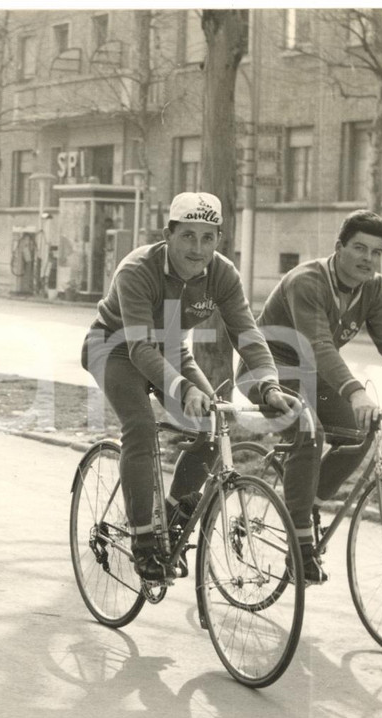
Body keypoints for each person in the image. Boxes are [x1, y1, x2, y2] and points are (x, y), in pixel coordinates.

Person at [81, 192, 300, 581]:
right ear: (168, 235)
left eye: (207, 238)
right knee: (140, 427)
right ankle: (143, 540)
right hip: (115, 347)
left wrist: (269, 383)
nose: (197, 249)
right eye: (187, 236)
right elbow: (139, 348)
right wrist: (184, 389)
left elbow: (248, 334)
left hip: (169, 349)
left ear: (218, 240)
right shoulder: (137, 269)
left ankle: (171, 517)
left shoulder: (222, 274)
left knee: (214, 425)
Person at [238, 209, 382, 584]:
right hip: (268, 368)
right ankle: (300, 545)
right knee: (308, 430)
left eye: (376, 252)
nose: (367, 259)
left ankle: (305, 507)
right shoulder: (307, 281)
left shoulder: (374, 289)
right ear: (339, 248)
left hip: (314, 373)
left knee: (362, 430)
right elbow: (319, 345)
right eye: (359, 248)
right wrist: (355, 392)